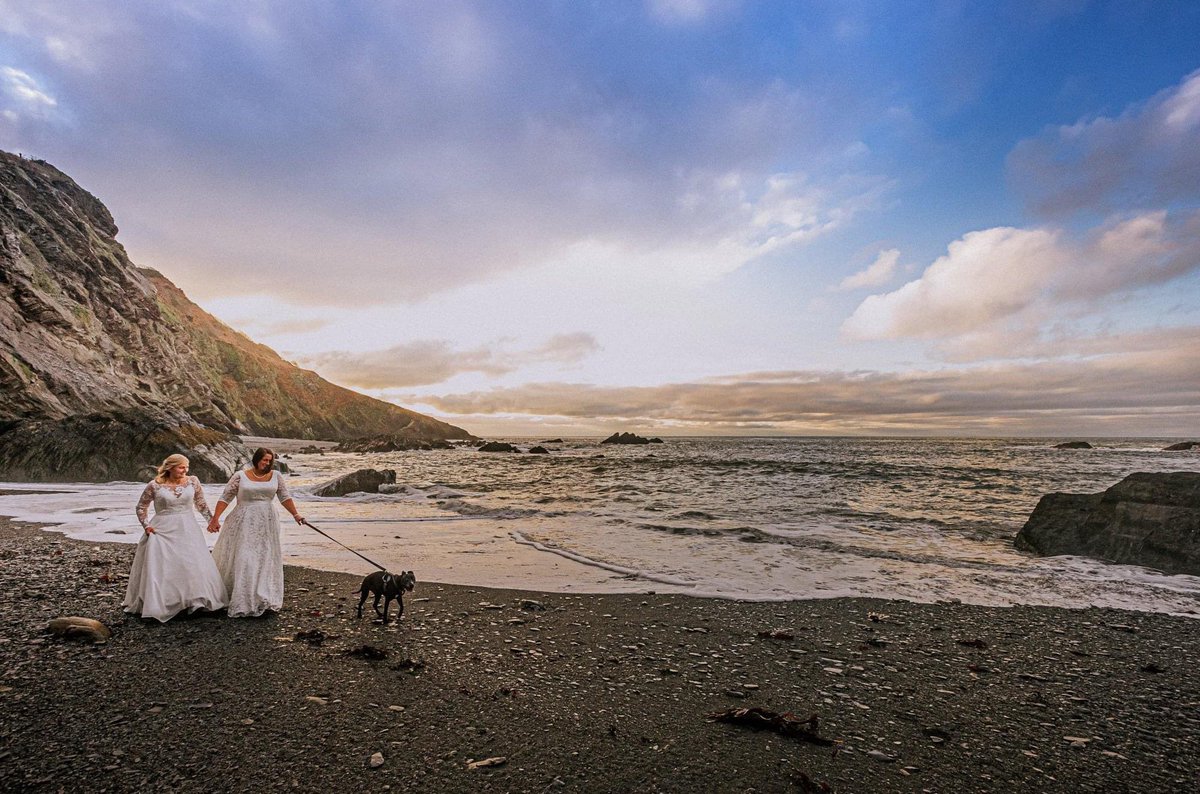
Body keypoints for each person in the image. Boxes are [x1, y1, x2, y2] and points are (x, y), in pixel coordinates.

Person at [123, 454, 228, 622]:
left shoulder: (192, 481)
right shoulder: (154, 485)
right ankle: (166, 602)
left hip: (188, 528)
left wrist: (212, 521)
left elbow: (200, 504)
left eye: (187, 467)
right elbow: (141, 507)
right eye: (181, 467)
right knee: (165, 565)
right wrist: (146, 526)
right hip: (162, 529)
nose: (185, 470)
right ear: (170, 467)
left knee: (192, 562)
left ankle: (195, 600)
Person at [207, 447, 304, 617]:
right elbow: (225, 498)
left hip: (267, 520)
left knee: (264, 556)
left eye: (270, 460)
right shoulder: (240, 476)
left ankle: (262, 597)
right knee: (244, 555)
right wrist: (215, 518)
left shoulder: (276, 476)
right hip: (243, 519)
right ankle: (241, 598)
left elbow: (284, 497)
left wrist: (296, 514)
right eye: (264, 459)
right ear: (256, 459)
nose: (267, 463)